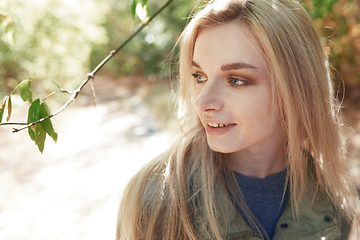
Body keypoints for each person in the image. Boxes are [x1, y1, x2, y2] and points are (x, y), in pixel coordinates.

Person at [116, 0, 359, 239]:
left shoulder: (332, 195)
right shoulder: (155, 199)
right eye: (199, 76)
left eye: (236, 80)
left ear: (297, 86)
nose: (202, 102)